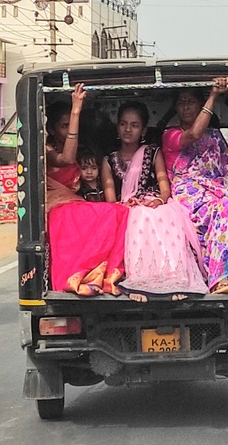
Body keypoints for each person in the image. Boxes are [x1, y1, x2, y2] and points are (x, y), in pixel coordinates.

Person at [162, 78, 228, 294]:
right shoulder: (170, 135)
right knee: (225, 209)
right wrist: (213, 95)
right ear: (175, 107)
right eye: (181, 102)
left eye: (191, 101)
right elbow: (192, 135)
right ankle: (221, 278)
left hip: (221, 192)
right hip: (189, 194)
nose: (186, 106)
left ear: (199, 105)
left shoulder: (215, 136)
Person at [101, 101, 209, 302]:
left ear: (143, 130)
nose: (128, 129)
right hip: (126, 208)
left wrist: (159, 200)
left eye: (134, 125)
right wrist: (127, 205)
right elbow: (110, 199)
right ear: (117, 127)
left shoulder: (153, 152)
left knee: (166, 217)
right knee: (138, 217)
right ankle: (139, 283)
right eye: (123, 124)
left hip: (155, 202)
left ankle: (174, 281)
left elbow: (164, 186)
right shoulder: (109, 159)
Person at [45, 84, 128, 296]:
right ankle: (87, 274)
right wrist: (75, 109)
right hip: (57, 208)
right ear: (52, 130)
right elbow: (67, 159)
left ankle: (107, 273)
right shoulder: (48, 150)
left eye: (71, 125)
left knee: (119, 211)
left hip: (75, 204)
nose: (69, 129)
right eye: (64, 126)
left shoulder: (86, 150)